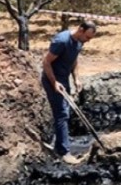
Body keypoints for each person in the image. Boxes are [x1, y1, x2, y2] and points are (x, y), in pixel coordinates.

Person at [41, 21, 97, 164]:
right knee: (62, 113)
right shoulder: (62, 40)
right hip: (52, 79)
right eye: (87, 37)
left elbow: (74, 60)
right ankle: (64, 152)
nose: (88, 41)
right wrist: (54, 83)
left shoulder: (79, 42)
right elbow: (46, 62)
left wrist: (76, 78)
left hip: (64, 79)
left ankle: (59, 145)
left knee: (64, 112)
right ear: (80, 29)